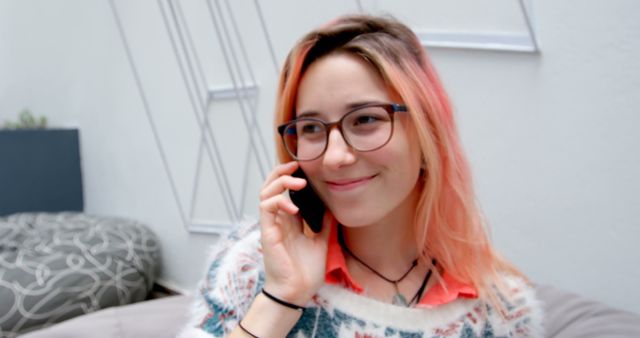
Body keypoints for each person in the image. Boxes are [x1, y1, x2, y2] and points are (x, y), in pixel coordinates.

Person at [181, 14, 542, 338]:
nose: (335, 156)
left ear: (428, 132)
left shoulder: (504, 312)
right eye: (311, 127)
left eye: (366, 119)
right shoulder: (251, 264)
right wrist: (281, 298)